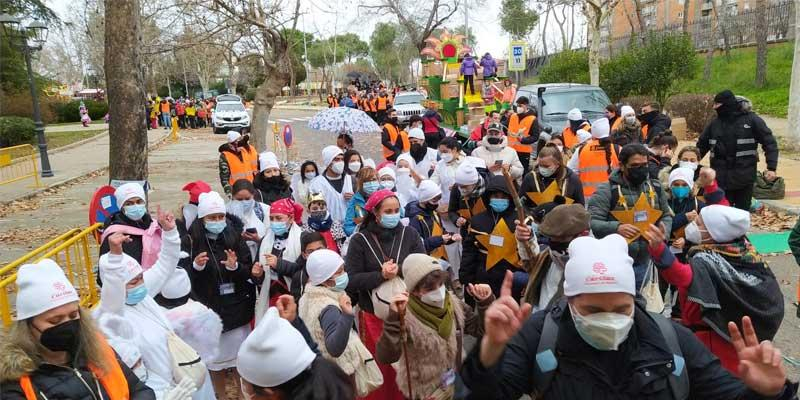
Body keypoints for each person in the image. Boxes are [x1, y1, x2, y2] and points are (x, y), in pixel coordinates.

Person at [460, 235, 798, 400]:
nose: (608, 319)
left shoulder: (670, 341)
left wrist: (767, 392)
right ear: (569, 299)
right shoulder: (541, 334)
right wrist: (489, 353)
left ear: (634, 301)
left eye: (621, 309)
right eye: (592, 310)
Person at [646, 204, 784, 375]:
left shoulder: (707, 260)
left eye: (700, 223)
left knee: (712, 381)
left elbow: (680, 277)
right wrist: (711, 186)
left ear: (715, 232)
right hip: (735, 336)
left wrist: (659, 250)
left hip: (711, 337)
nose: (694, 226)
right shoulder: (743, 249)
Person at [0, 259, 157, 399]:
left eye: (73, 315)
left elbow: (138, 389)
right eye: (55, 320)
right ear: (28, 326)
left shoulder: (99, 349)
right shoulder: (14, 383)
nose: (67, 324)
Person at [96, 209, 202, 399]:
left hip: (180, 386)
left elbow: (165, 265)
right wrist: (161, 395)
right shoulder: (108, 319)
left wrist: (169, 233)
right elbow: (131, 374)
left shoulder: (142, 296)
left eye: (140, 278)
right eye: (133, 282)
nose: (141, 284)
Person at [344, 189, 425, 400]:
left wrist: (401, 270)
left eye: (397, 210)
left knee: (409, 370)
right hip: (374, 318)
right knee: (382, 371)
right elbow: (352, 280)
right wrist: (380, 275)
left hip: (409, 315)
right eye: (388, 211)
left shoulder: (410, 235)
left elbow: (424, 269)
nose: (393, 214)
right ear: (376, 214)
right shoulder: (360, 240)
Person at [376, 254, 495, 399]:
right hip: (426, 391)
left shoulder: (453, 302)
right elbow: (386, 356)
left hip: (457, 378)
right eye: (429, 288)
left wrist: (485, 302)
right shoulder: (404, 315)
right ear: (414, 291)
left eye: (441, 284)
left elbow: (480, 330)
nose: (439, 291)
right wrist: (393, 319)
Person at [181, 191, 256, 399]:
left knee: (239, 358)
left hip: (237, 309)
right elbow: (182, 280)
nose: (217, 221)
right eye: (211, 218)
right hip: (209, 309)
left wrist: (235, 267)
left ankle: (243, 395)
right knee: (215, 362)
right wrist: (195, 267)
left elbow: (248, 272)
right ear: (202, 219)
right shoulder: (192, 241)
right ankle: (220, 395)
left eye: (220, 217)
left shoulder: (235, 238)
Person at [588, 143, 672, 290]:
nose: (641, 169)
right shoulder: (606, 190)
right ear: (622, 166)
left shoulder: (656, 187)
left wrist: (663, 232)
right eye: (635, 165)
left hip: (646, 260)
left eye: (645, 164)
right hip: (615, 263)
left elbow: (666, 215)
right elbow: (592, 222)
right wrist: (617, 227)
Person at [299, 249, 379, 396]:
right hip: (338, 375)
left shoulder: (308, 295)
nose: (344, 274)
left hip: (319, 374)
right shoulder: (329, 308)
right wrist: (347, 315)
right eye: (339, 272)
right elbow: (335, 348)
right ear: (326, 279)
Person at [236, 306, 355, 400]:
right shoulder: (318, 383)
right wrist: (294, 322)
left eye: (247, 388)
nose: (244, 391)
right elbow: (312, 358)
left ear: (272, 395)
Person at [697, 89, 779, 211]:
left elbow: (769, 142)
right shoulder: (714, 124)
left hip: (744, 179)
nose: (714, 108)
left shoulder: (752, 120)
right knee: (721, 214)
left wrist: (771, 167)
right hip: (720, 179)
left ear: (727, 104)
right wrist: (690, 163)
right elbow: (701, 146)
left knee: (741, 216)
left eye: (717, 105)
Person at [514, 203, 590, 311]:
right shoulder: (549, 257)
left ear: (583, 235)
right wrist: (526, 239)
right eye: (551, 237)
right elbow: (531, 265)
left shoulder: (592, 268)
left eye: (561, 238)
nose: (554, 243)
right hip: (538, 321)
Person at [461, 175, 526, 298]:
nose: (499, 200)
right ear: (489, 197)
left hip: (511, 279)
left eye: (503, 197)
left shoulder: (519, 221)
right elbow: (469, 252)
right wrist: (467, 280)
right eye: (496, 196)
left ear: (510, 198)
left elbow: (527, 253)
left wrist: (525, 280)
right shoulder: (478, 221)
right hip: (484, 278)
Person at [255, 198, 306, 322]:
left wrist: (279, 264)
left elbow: (303, 270)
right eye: (271, 218)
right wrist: (257, 273)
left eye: (278, 218)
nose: (274, 222)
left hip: (293, 297)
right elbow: (258, 271)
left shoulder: (302, 239)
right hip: (271, 297)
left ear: (290, 218)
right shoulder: (265, 240)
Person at [99, 183, 164, 271]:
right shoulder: (114, 235)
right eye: (129, 204)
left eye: (139, 202)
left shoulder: (155, 227)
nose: (135, 206)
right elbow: (103, 274)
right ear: (121, 207)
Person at [406, 180, 461, 259]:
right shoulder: (415, 219)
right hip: (426, 260)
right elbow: (417, 245)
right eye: (434, 201)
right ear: (424, 200)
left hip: (440, 256)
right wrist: (440, 240)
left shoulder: (434, 213)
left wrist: (451, 237)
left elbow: (441, 232)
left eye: (438, 200)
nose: (437, 204)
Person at [566, 118, 620, 199]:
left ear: (593, 134)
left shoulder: (581, 150)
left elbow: (570, 171)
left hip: (587, 196)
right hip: (612, 196)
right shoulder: (618, 149)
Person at [522, 144, 585, 210]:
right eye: (540, 165)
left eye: (546, 166)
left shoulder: (572, 179)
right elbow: (520, 205)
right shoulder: (530, 178)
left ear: (557, 164)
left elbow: (580, 208)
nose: (542, 168)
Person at [308, 146, 354, 224]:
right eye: (336, 159)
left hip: (350, 225)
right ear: (328, 163)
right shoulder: (316, 184)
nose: (340, 162)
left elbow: (360, 203)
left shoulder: (351, 180)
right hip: (329, 227)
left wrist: (354, 198)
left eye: (342, 159)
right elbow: (315, 209)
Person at [227, 179, 269, 261]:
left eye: (247, 199)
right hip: (235, 260)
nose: (244, 202)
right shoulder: (225, 211)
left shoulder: (263, 210)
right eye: (239, 199)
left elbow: (271, 238)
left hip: (260, 258)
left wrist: (257, 239)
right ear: (232, 196)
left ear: (253, 195)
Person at [447, 161, 489, 239]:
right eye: (459, 186)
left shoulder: (489, 188)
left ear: (474, 183)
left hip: (487, 231)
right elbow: (451, 211)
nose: (462, 190)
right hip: (467, 232)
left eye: (465, 187)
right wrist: (457, 219)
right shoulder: (456, 189)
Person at [219, 131, 259, 197]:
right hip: (237, 191)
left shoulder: (249, 150)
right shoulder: (225, 156)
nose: (241, 147)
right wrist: (229, 193)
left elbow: (256, 167)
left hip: (252, 188)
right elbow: (224, 178)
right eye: (237, 143)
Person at [506, 96, 539, 174]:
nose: (518, 107)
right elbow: (505, 127)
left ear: (526, 106)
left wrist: (523, 140)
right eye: (517, 105)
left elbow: (535, 137)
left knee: (523, 172)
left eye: (520, 106)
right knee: (510, 172)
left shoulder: (532, 119)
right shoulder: (513, 116)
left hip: (523, 152)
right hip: (510, 150)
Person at [344, 167, 380, 236]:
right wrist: (361, 231)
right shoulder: (354, 201)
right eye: (366, 181)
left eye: (373, 180)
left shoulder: (386, 197)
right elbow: (348, 227)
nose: (371, 183)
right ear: (360, 183)